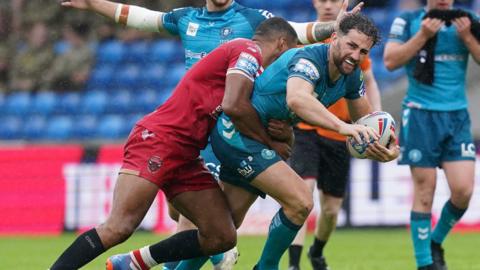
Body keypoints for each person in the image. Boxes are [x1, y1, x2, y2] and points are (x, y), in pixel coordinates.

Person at [59, 1, 362, 269]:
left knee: (222, 235)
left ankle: (135, 262)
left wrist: (336, 28)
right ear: (282, 46)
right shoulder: (246, 50)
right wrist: (270, 141)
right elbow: (233, 104)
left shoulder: (252, 20)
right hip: (162, 138)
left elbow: (302, 30)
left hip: (192, 150)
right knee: (119, 227)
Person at [208, 13, 398, 270]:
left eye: (363, 51)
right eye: (351, 46)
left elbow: (366, 121)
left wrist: (386, 148)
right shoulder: (308, 58)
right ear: (334, 38)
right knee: (300, 201)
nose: (355, 55)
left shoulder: (351, 75)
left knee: (223, 231)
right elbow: (297, 99)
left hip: (258, 141)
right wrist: (344, 127)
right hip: (239, 133)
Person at [384, 0, 480, 269]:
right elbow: (390, 61)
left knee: (463, 191)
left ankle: (435, 241)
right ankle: (425, 262)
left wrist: (467, 38)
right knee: (425, 191)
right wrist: (423, 35)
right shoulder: (408, 21)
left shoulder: (467, 20)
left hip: (456, 116)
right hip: (420, 113)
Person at [287, 1, 382, 270]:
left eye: (334, 0)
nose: (328, 5)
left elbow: (370, 82)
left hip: (341, 132)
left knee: (330, 209)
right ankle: (293, 264)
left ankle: (316, 252)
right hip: (305, 127)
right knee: (302, 198)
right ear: (315, 2)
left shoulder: (356, 45)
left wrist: (377, 120)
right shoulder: (303, 39)